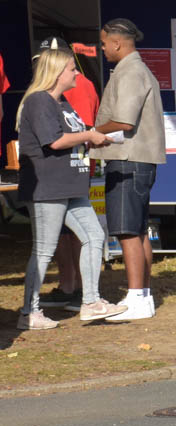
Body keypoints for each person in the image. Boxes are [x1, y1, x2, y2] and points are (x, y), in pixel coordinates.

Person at [16, 48, 123, 329]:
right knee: (44, 250)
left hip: (70, 185)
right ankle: (29, 312)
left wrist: (92, 138)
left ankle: (91, 302)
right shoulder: (39, 101)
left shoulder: (61, 102)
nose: (77, 73)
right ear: (56, 73)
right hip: (48, 188)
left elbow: (69, 136)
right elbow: (53, 141)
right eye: (71, 69)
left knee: (94, 236)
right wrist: (88, 135)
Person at [92, 18, 167, 322]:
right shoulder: (132, 69)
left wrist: (93, 131)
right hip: (134, 159)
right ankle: (143, 296)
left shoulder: (131, 71)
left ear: (117, 42)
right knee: (136, 229)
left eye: (103, 42)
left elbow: (123, 121)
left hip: (128, 160)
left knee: (126, 230)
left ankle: (136, 297)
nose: (102, 48)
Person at [38, 40, 101, 313]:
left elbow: (82, 127)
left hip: (73, 167)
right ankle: (69, 285)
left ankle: (79, 289)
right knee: (62, 232)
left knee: (78, 231)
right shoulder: (44, 92)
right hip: (57, 169)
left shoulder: (80, 85)